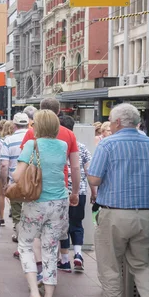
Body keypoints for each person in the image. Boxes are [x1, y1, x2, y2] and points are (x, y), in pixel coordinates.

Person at [88, 103, 149, 297]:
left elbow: (94, 179)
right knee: (145, 270)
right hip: (146, 216)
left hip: (114, 214)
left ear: (117, 123)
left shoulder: (108, 144)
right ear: (137, 123)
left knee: (110, 269)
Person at [12, 110, 75, 297]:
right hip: (59, 203)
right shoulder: (63, 145)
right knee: (50, 251)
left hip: (36, 203)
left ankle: (34, 295)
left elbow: (17, 175)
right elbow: (70, 167)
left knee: (25, 245)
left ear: (37, 126)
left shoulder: (32, 144)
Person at [57, 116, 97, 272]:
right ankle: (78, 255)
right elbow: (89, 172)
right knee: (77, 223)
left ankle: (65, 260)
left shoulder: (58, 146)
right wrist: (93, 192)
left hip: (61, 192)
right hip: (80, 191)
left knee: (63, 226)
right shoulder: (82, 147)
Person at [0, 113, 30, 233]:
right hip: (32, 183)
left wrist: (4, 183)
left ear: (14, 125)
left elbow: (4, 165)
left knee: (17, 215)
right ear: (28, 124)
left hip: (15, 183)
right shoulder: (35, 138)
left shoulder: (8, 140)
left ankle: (20, 239)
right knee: (31, 214)